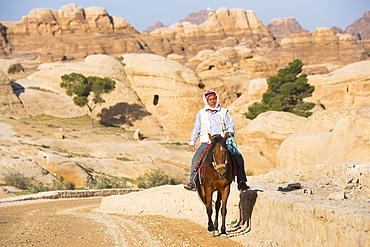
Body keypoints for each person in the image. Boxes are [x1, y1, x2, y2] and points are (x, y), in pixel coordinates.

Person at [184, 90, 250, 192]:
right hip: (207, 141)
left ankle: (241, 182)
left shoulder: (224, 112)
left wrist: (230, 133)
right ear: (206, 101)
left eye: (214, 99)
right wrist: (192, 142)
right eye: (210, 99)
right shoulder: (201, 113)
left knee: (238, 156)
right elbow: (196, 128)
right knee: (196, 158)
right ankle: (192, 181)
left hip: (222, 141)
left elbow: (230, 126)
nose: (213, 101)